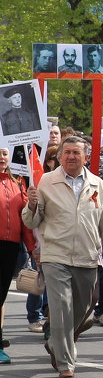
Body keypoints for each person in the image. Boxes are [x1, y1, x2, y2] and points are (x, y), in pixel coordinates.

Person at [22, 136, 103, 378]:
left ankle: (57, 342)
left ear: (86, 156)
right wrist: (31, 205)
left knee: (83, 307)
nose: (71, 157)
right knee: (61, 307)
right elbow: (31, 221)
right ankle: (66, 361)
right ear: (59, 156)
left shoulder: (98, 184)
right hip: (55, 255)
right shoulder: (46, 181)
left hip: (87, 257)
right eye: (67, 152)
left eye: (76, 152)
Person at [0, 148, 35, 364]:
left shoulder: (18, 183)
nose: (1, 158)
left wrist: (33, 249)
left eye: (4, 153)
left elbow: (26, 221)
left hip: (10, 246)